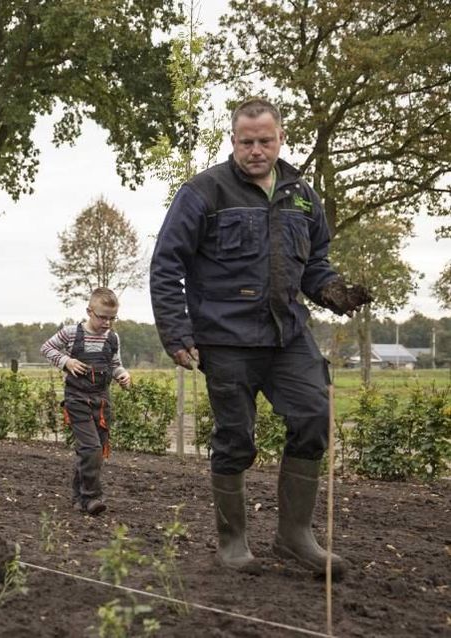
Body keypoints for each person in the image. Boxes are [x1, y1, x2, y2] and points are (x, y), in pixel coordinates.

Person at [150, 97, 371, 578]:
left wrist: (332, 291)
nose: (256, 150)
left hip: (287, 334)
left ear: (280, 139)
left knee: (315, 414)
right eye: (246, 141)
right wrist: (176, 332)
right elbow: (167, 264)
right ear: (233, 141)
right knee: (235, 439)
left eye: (265, 141)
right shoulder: (203, 192)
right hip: (225, 338)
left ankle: (295, 537)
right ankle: (233, 543)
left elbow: (314, 264)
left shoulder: (301, 195)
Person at [41, 287, 132, 516]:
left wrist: (123, 375)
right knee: (91, 448)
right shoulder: (71, 333)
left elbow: (115, 364)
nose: (107, 323)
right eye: (103, 317)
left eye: (112, 318)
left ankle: (79, 498)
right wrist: (66, 361)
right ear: (89, 311)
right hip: (77, 400)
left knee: (94, 451)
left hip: (101, 402)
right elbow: (46, 348)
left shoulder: (112, 337)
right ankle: (93, 498)